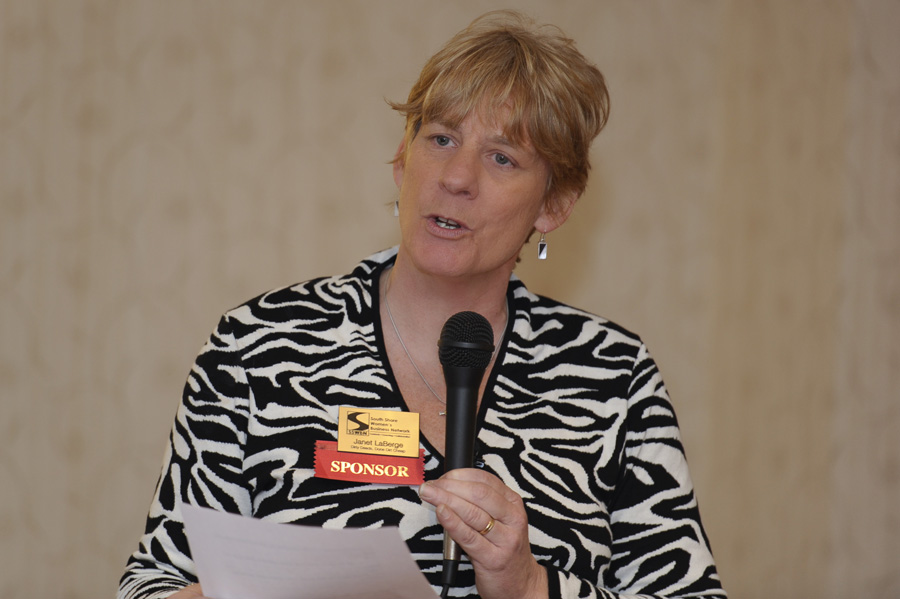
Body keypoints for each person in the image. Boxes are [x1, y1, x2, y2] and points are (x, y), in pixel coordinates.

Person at [118, 10, 726, 599]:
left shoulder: (609, 375)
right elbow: (151, 581)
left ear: (553, 206)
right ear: (401, 159)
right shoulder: (258, 346)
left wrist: (527, 587)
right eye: (440, 138)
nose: (457, 177)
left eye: (502, 157)